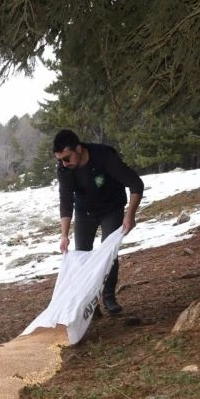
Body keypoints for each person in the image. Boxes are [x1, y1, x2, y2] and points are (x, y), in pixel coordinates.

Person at [53, 128, 144, 315]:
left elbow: (136, 184)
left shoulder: (104, 156)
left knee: (108, 252)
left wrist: (130, 214)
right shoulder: (65, 169)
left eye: (67, 158)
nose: (64, 163)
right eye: (60, 160)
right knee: (82, 256)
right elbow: (66, 201)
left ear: (78, 148)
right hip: (85, 211)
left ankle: (109, 297)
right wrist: (64, 235)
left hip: (111, 208)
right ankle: (90, 304)